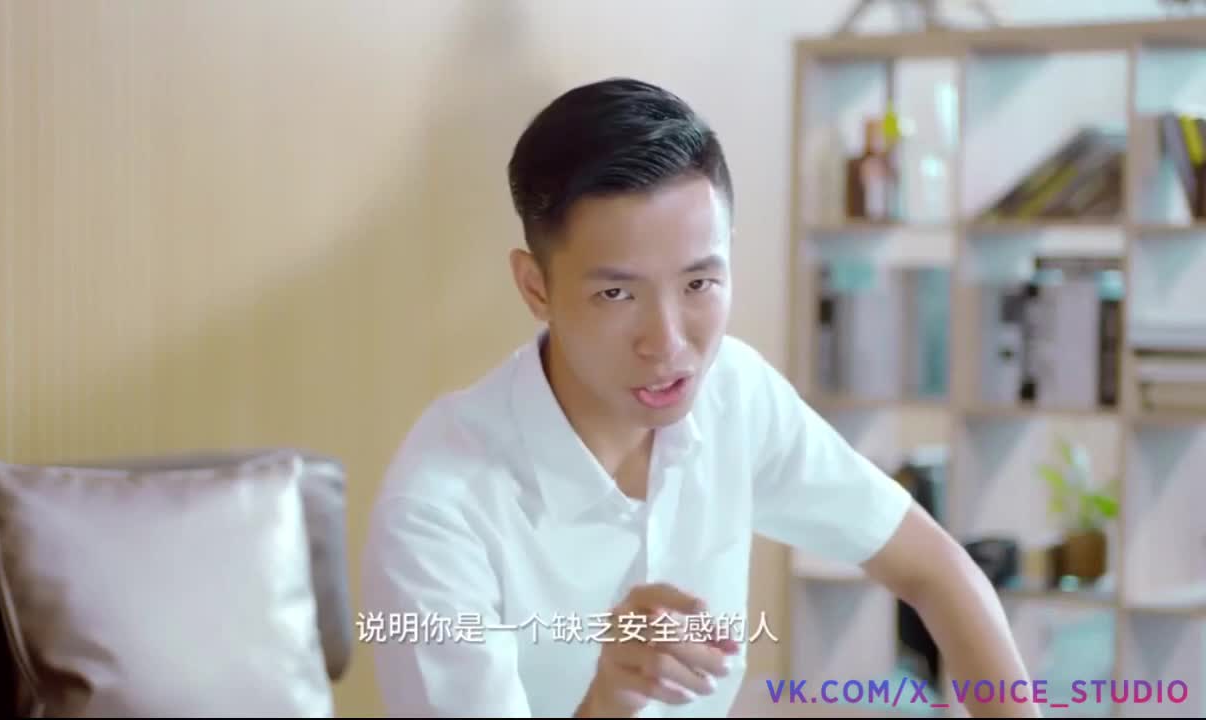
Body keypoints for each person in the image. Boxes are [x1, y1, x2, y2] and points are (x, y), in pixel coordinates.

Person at [359, 77, 1039, 719]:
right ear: (536, 286)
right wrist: (607, 701)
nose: (668, 342)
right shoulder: (438, 511)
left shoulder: (733, 393)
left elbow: (936, 572)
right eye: (616, 293)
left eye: (698, 284)